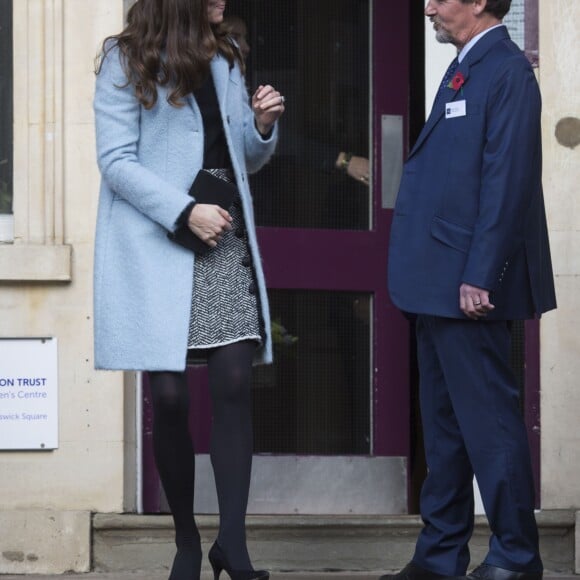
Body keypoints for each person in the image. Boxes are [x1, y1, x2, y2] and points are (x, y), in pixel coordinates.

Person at [92, 0, 285, 579]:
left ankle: (233, 544)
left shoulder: (224, 54)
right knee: (170, 398)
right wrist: (183, 212)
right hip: (159, 236)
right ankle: (184, 543)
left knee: (231, 382)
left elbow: (243, 158)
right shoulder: (125, 59)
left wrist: (262, 125)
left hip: (221, 231)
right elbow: (116, 162)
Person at [385, 1, 556, 580]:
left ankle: (515, 557)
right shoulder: (465, 65)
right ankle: (439, 557)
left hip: (467, 285)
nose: (428, 5)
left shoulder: (507, 71)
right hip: (434, 283)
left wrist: (480, 273)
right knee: (446, 431)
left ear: (480, 1)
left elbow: (507, 180)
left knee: (491, 426)